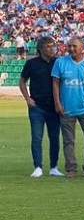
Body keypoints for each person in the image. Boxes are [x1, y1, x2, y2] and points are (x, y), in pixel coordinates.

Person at [51, 37, 84, 178]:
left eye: (74, 46)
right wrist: (58, 103)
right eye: (69, 46)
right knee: (68, 140)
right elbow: (55, 83)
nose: (71, 49)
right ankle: (71, 168)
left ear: (82, 48)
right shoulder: (60, 62)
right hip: (66, 109)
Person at [20, 37, 62, 178]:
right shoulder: (31, 64)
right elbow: (22, 81)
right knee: (37, 137)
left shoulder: (58, 62)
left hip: (54, 107)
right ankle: (38, 167)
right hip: (36, 106)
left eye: (53, 46)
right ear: (41, 49)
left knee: (54, 137)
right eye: (49, 46)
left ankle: (54, 167)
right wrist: (27, 98)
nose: (52, 49)